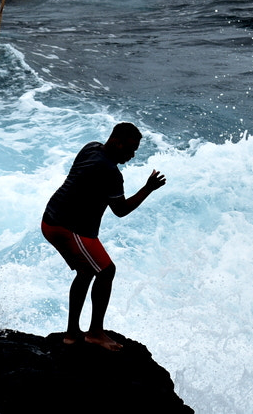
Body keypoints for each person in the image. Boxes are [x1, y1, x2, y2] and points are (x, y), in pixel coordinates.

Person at [41, 122, 166, 350]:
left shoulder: (92, 148)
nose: (132, 155)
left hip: (53, 218)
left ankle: (72, 334)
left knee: (87, 270)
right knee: (106, 271)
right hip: (67, 226)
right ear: (117, 142)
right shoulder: (110, 172)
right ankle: (95, 333)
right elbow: (120, 210)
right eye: (130, 149)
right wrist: (148, 188)